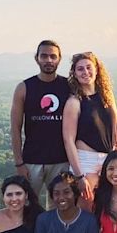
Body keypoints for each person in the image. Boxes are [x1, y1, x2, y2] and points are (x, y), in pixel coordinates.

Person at [10, 40, 72, 208]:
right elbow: (15, 129)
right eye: (44, 56)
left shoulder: (69, 87)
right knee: (27, 209)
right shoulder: (24, 88)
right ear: (36, 58)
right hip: (32, 162)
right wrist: (19, 163)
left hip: (62, 161)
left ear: (59, 59)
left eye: (53, 56)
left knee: (60, 209)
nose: (49, 60)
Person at [62, 52, 117, 204]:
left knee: (109, 208)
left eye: (89, 67)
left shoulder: (107, 96)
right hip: (86, 161)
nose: (85, 72)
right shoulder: (74, 102)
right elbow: (68, 140)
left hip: (109, 158)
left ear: (97, 69)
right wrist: (79, 176)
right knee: (88, 210)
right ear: (74, 74)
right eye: (80, 69)